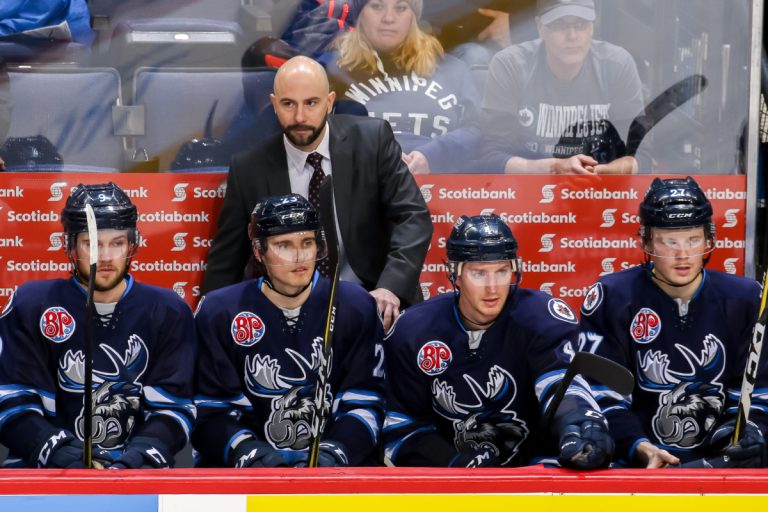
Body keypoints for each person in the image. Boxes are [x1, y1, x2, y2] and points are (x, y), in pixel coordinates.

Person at [202, 55, 432, 331]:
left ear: (330, 102)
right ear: (274, 104)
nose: (300, 117)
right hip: (287, 312)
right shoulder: (249, 167)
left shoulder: (373, 140)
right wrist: (208, 322)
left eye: (311, 103)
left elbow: (412, 216)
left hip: (373, 300)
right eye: (289, 104)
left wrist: (390, 288)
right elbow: (227, 257)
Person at [383, 214, 613, 468]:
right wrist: (455, 464)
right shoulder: (414, 330)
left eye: (502, 271)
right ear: (455, 274)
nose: (493, 287)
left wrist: (580, 422)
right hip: (452, 484)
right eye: (479, 273)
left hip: (537, 472)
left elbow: (559, 384)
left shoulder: (540, 316)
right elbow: (402, 425)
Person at [0, 183, 196, 468]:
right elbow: (11, 401)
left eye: (116, 243)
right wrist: (55, 450)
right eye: (92, 244)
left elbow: (174, 406)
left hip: (136, 479)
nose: (105, 257)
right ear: (70, 245)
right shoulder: (32, 305)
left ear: (133, 244)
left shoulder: (167, 310)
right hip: (46, 475)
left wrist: (141, 455)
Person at [578, 176, 768, 468]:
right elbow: (601, 394)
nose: (683, 255)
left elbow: (758, 389)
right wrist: (639, 448)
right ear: (647, 240)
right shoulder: (611, 297)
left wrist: (750, 430)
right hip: (636, 465)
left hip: (723, 462)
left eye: (693, 239)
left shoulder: (746, 298)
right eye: (670, 241)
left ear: (708, 239)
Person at [193, 194, 385, 467]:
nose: (299, 256)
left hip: (337, 477)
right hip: (245, 477)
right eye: (284, 244)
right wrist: (250, 454)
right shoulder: (219, 311)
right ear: (259, 251)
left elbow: (365, 399)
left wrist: (335, 452)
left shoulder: (355, 305)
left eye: (307, 243)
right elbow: (211, 410)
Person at [480, 0, 644, 174]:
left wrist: (607, 171)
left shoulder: (617, 65)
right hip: (528, 187)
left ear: (593, 26)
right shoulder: (510, 65)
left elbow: (640, 154)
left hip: (599, 189)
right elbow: (492, 157)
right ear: (540, 27)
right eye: (559, 25)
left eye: (580, 24)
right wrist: (554, 168)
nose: (572, 35)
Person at [326, 0, 481, 174]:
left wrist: (432, 156)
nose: (389, 18)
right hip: (361, 187)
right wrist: (376, 155)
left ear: (413, 16)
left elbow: (478, 130)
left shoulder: (452, 69)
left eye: (400, 8)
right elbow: (318, 135)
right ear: (360, 13)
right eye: (377, 6)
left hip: (440, 189)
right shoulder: (335, 72)